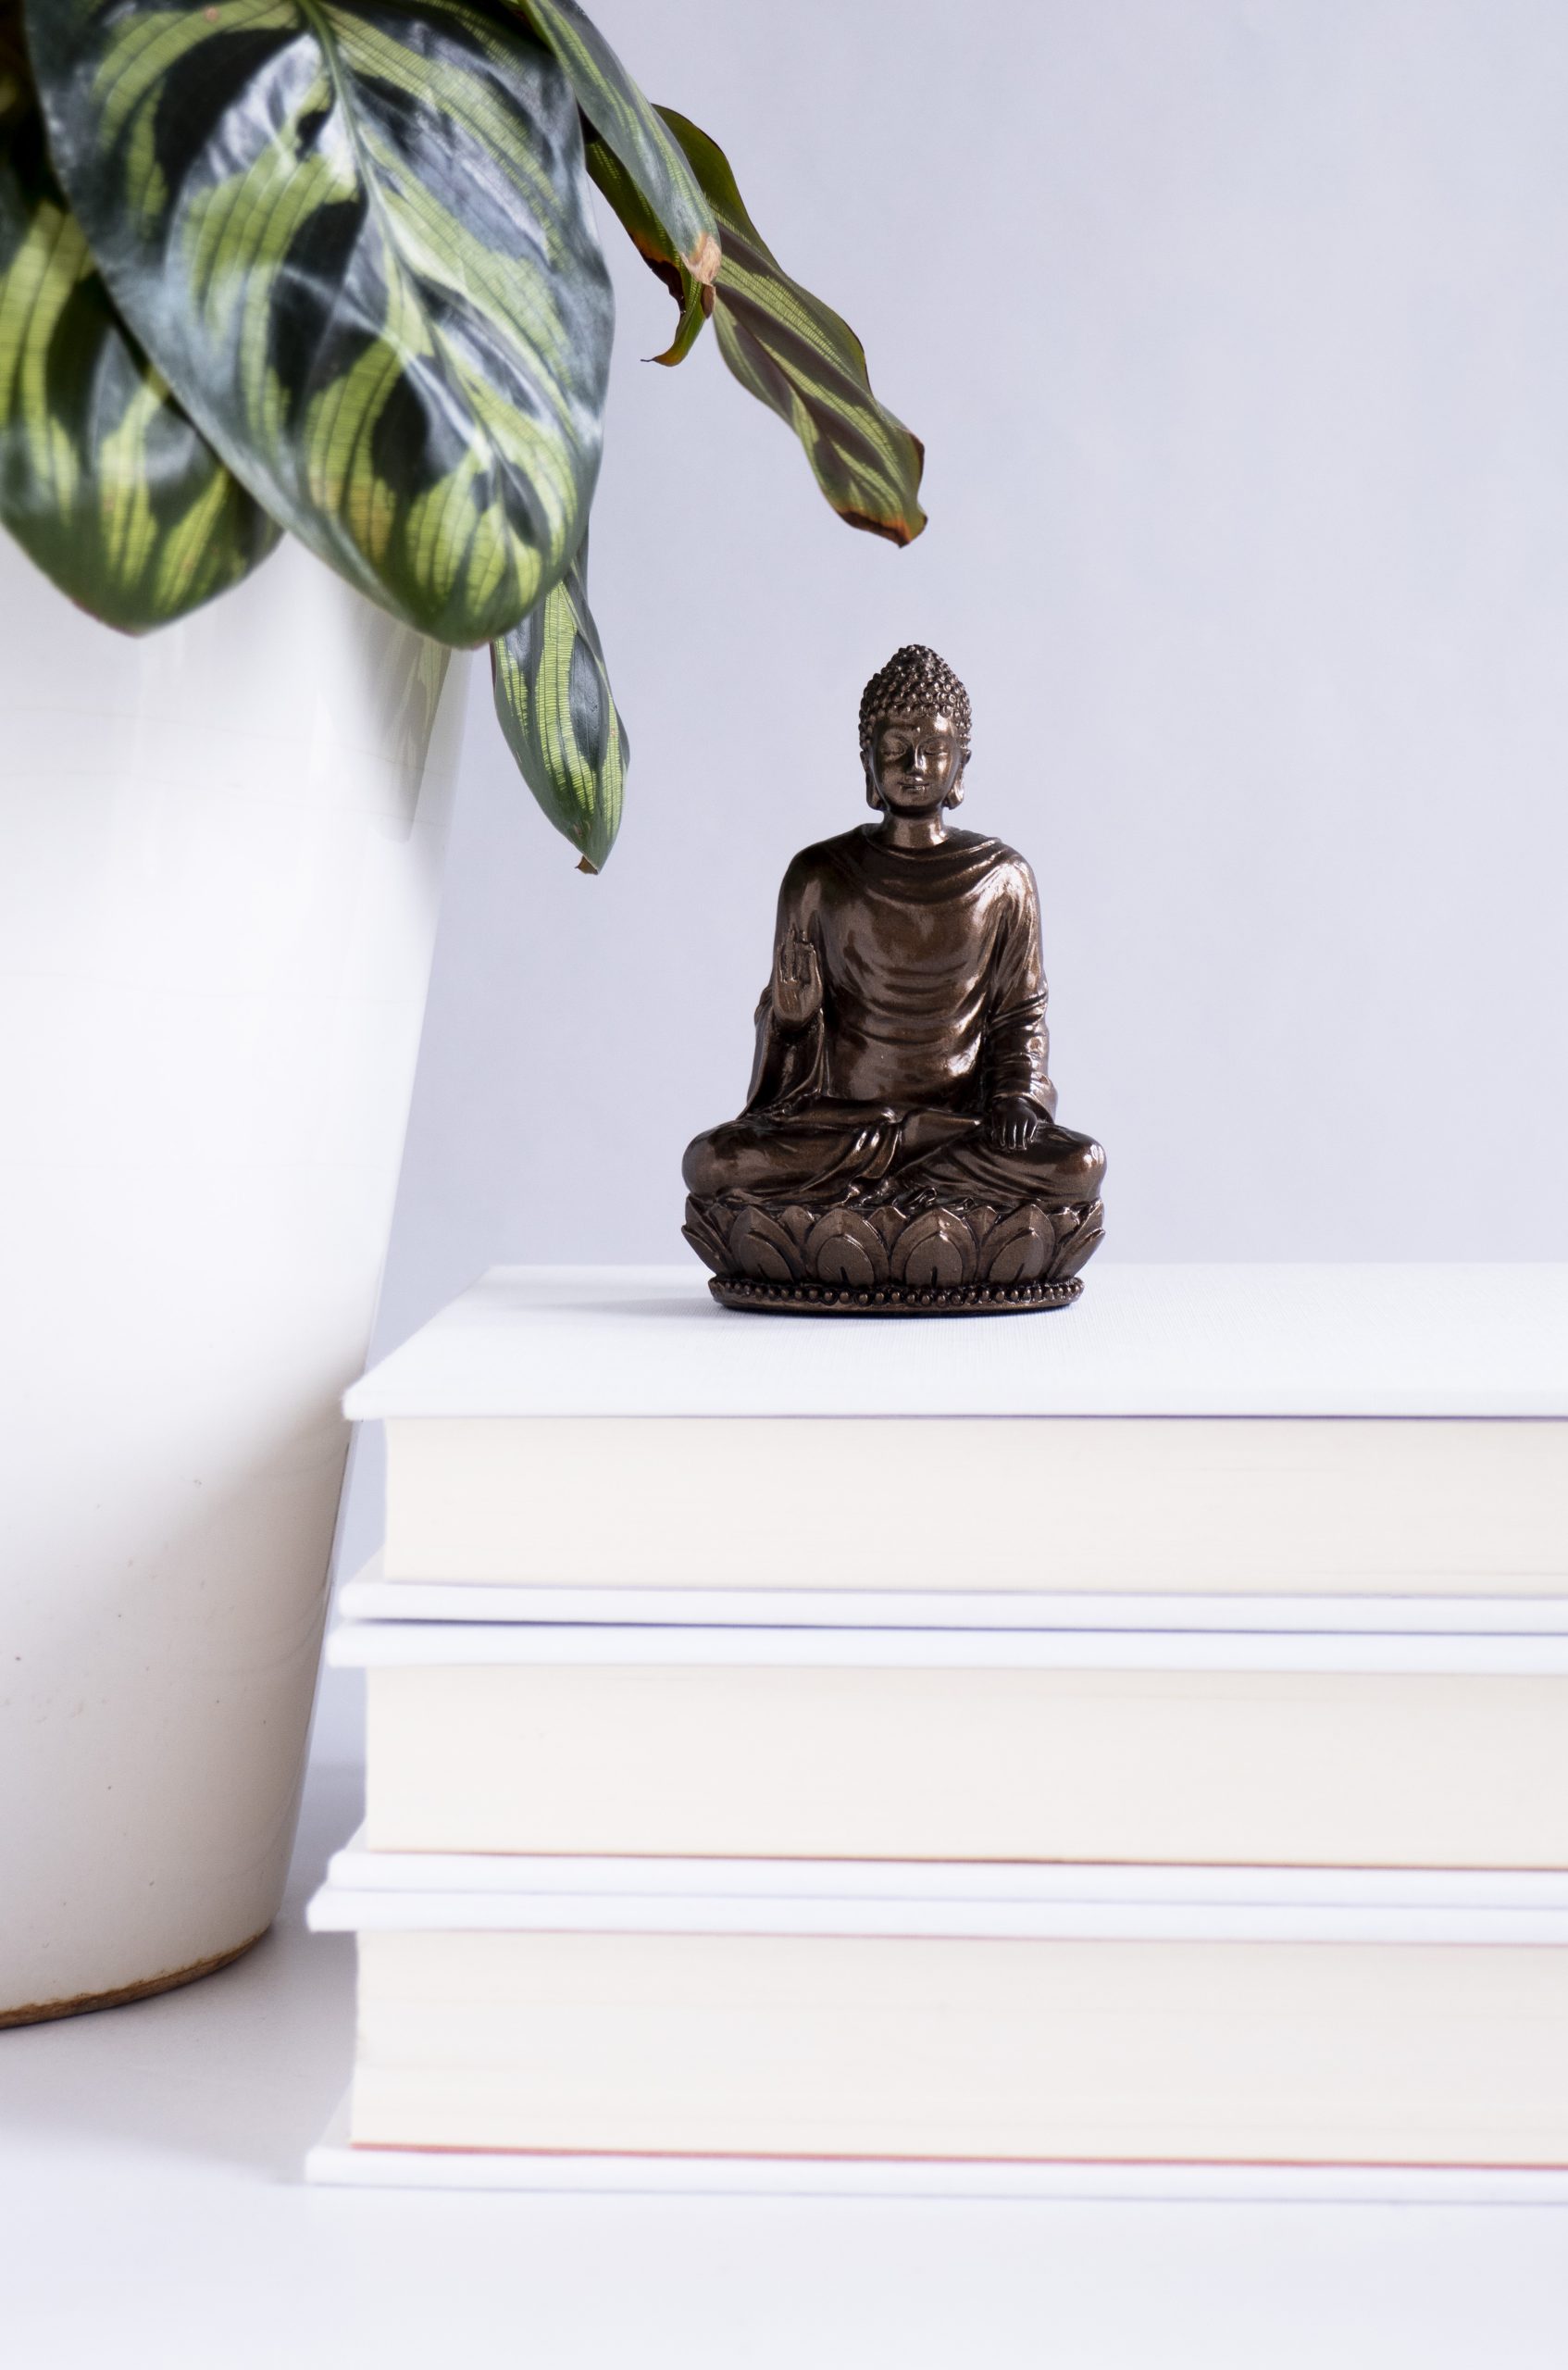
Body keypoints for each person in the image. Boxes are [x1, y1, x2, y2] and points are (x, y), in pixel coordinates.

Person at [682, 645, 1105, 1210]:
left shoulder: (1003, 878)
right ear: (867, 764)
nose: (915, 768)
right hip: (849, 1128)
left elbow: (1020, 1018)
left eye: (934, 749)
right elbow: (782, 1079)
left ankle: (885, 1189)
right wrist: (791, 1020)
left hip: (962, 1126)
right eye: (896, 750)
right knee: (713, 1161)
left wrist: (1018, 1100)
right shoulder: (818, 876)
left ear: (962, 764)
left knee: (1080, 1165)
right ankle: (919, 1178)